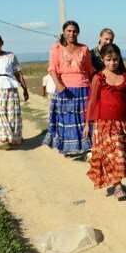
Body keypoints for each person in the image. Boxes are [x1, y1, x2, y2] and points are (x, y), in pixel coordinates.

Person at [83, 43, 126, 199]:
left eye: (115, 59)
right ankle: (117, 186)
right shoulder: (98, 78)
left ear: (119, 58)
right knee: (114, 152)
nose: (112, 63)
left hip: (124, 122)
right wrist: (87, 123)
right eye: (108, 60)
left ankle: (118, 182)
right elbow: (91, 102)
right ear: (102, 59)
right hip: (104, 123)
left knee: (123, 153)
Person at [43, 20, 94, 155]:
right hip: (65, 89)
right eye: (69, 31)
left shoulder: (84, 49)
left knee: (84, 119)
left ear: (78, 32)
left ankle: (86, 147)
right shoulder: (57, 48)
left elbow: (89, 70)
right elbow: (52, 69)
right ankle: (68, 148)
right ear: (64, 32)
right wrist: (58, 85)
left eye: (74, 31)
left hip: (83, 88)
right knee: (67, 119)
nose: (72, 33)